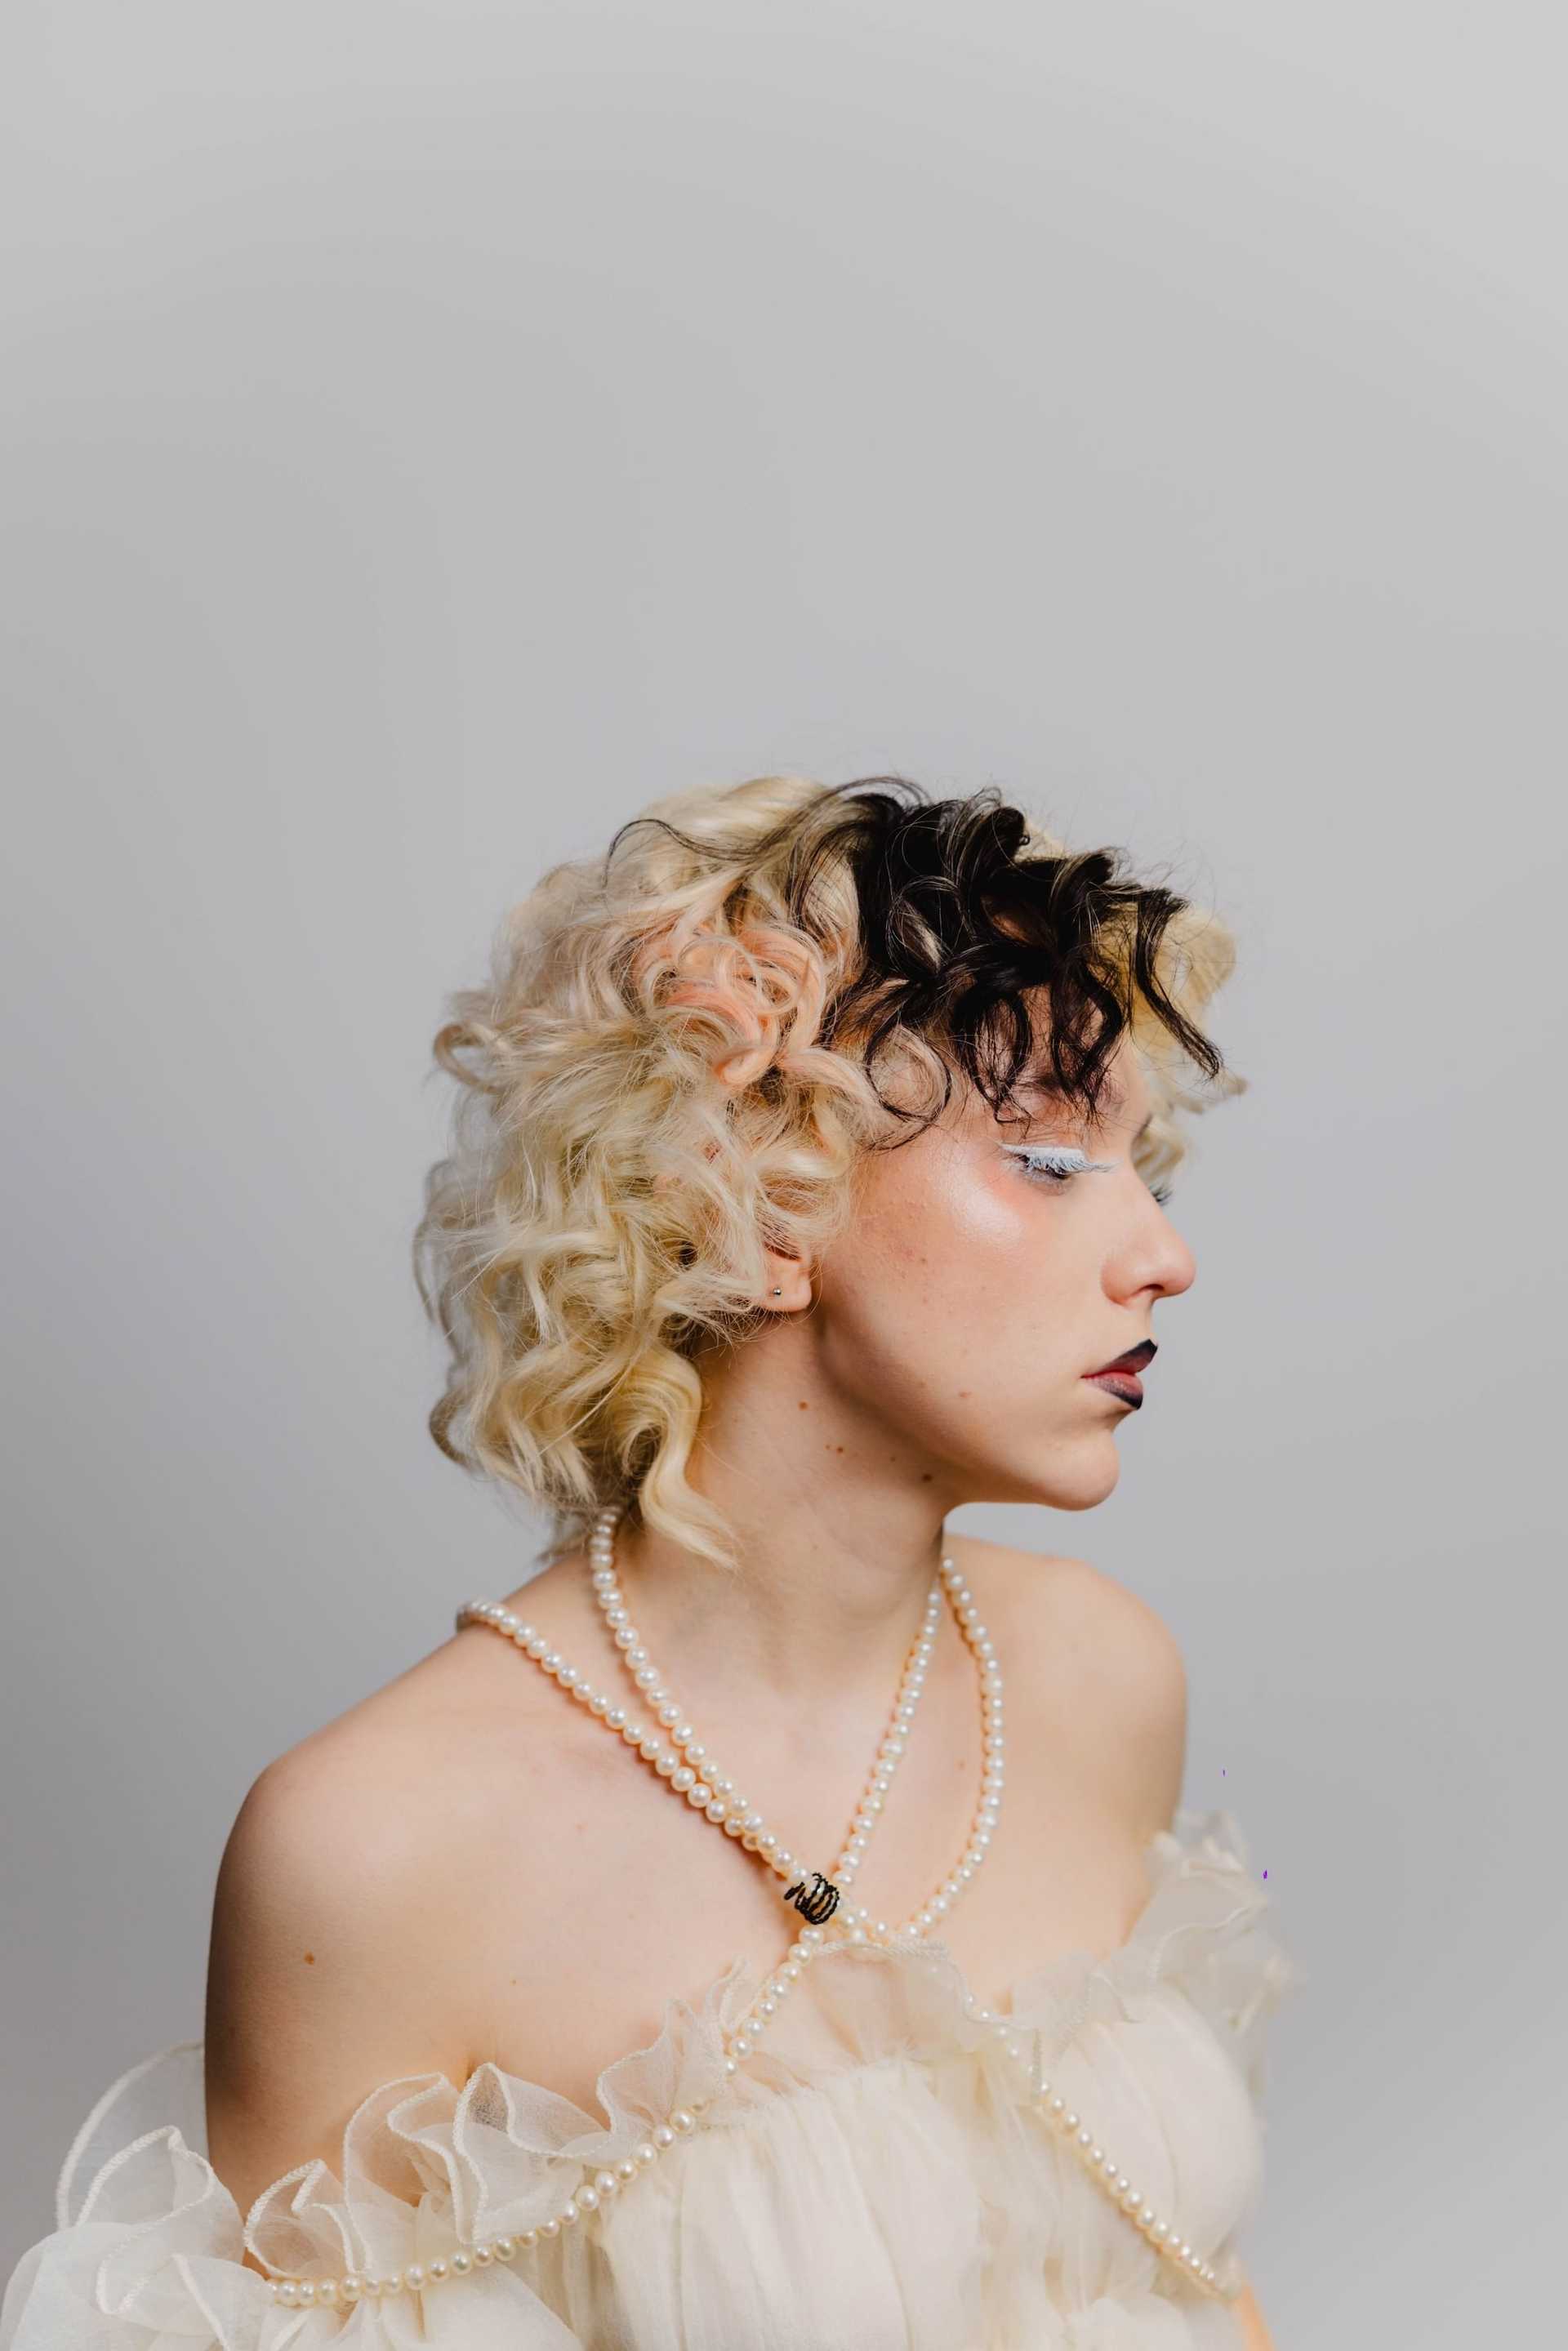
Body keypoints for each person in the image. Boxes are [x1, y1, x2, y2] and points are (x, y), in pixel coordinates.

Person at [1, 773, 1300, 2349]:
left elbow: (1190, 2284)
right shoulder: (380, 1851)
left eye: (1144, 1168)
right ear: (753, 1194)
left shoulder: (1099, 1679)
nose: (1165, 1254)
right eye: (1044, 1160)